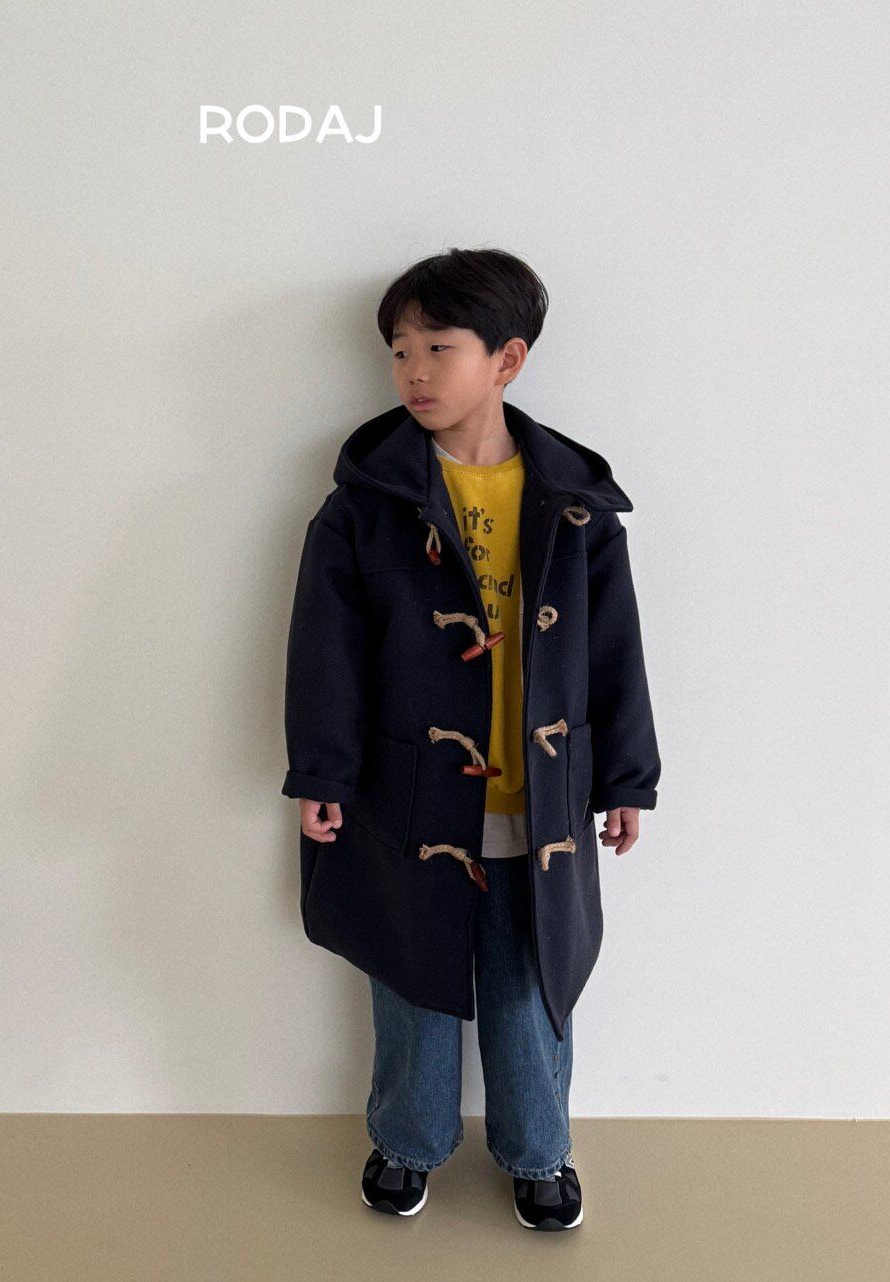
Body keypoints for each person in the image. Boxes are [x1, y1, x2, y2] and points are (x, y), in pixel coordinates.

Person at [281, 247, 661, 1230]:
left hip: (540, 803)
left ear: (506, 359)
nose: (412, 370)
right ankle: (406, 1141)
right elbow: (325, 653)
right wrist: (321, 771)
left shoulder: (574, 507)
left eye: (436, 347)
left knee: (530, 986)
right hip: (407, 797)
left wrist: (627, 779)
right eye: (398, 350)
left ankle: (540, 1152)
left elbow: (613, 652)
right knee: (410, 979)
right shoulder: (365, 506)